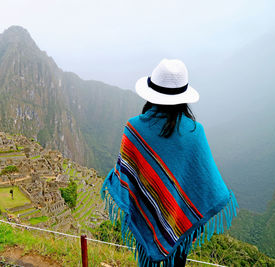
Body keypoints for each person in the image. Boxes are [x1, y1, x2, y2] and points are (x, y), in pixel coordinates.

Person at [101, 59, 238, 267]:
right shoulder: (195, 132)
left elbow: (125, 176)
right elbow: (207, 185)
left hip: (149, 221)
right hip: (179, 226)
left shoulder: (134, 129)